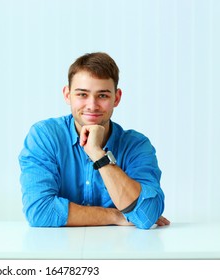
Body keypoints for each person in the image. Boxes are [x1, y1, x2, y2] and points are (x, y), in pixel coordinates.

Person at [18, 52, 170, 230]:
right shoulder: (45, 136)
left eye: (103, 95)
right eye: (82, 94)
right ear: (67, 95)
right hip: (59, 252)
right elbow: (40, 211)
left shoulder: (137, 145)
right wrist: (116, 215)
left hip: (121, 251)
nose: (92, 105)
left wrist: (98, 153)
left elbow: (146, 215)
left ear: (117, 97)